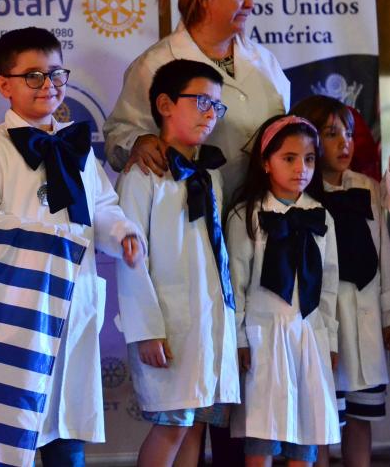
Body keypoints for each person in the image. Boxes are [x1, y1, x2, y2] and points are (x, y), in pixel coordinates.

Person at [0, 27, 143, 466]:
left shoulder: (78, 149)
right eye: (33, 76)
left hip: (74, 301)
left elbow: (102, 205)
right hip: (19, 307)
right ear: (4, 85)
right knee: (17, 423)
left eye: (56, 74)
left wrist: (122, 234)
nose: (48, 86)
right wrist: (37, 239)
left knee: (67, 421)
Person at [115, 59, 239, 466]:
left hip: (207, 323)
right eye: (202, 100)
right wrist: (146, 330)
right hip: (168, 325)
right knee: (172, 424)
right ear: (165, 104)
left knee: (194, 425)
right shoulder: (142, 175)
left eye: (217, 106)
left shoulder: (211, 175)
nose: (210, 113)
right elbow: (129, 258)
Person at [104, 0, 290, 205]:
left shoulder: (266, 61)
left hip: (258, 217)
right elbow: (118, 134)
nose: (250, 4)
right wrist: (140, 141)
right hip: (188, 215)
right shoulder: (155, 63)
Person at [226, 115, 340, 466]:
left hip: (308, 335)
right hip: (264, 336)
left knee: (305, 431)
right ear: (265, 162)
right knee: (264, 428)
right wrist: (241, 340)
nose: (300, 168)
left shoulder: (320, 215)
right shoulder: (246, 215)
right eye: (288, 158)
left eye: (308, 159)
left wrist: (331, 340)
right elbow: (236, 284)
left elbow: (329, 286)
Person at [291, 96, 389, 467]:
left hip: (364, 318)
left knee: (361, 419)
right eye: (331, 134)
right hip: (324, 322)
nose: (344, 142)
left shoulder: (368, 188)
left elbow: (385, 255)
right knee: (325, 417)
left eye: (347, 133)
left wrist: (387, 313)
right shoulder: (302, 195)